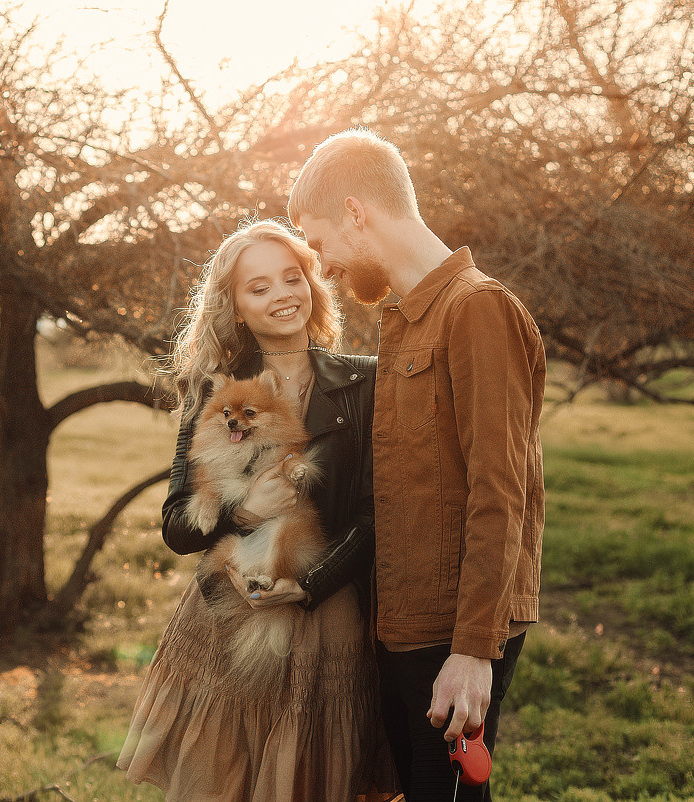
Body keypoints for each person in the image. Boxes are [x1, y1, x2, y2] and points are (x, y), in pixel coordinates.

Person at [288, 128, 545, 800]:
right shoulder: (402, 319)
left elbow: (501, 492)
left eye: (319, 246)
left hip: (451, 634)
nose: (323, 269)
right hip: (401, 623)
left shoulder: (477, 310)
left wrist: (473, 651)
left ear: (355, 212)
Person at [117, 219, 399, 801]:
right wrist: (243, 514)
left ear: (314, 285)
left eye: (292, 278)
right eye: (259, 287)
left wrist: (311, 584)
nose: (282, 296)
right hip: (230, 602)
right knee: (228, 776)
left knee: (311, 778)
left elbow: (376, 513)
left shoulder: (362, 384)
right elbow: (176, 524)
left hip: (327, 610)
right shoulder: (214, 393)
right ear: (236, 306)